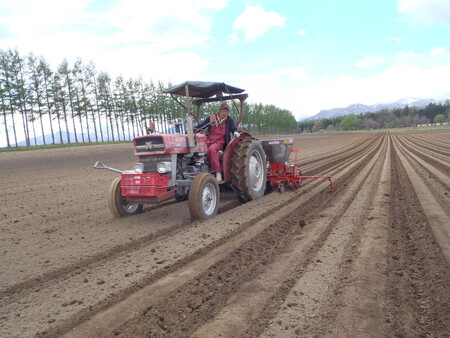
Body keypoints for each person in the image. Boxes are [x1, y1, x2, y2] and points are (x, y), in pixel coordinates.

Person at [195, 103, 240, 182]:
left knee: (212, 149)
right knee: (199, 149)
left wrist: (236, 132)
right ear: (220, 110)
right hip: (209, 140)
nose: (225, 113)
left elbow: (234, 128)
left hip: (220, 142)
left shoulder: (229, 120)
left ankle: (217, 172)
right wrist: (193, 129)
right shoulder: (212, 118)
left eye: (227, 111)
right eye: (224, 110)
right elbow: (202, 126)